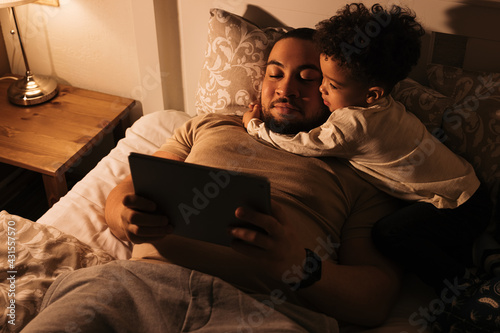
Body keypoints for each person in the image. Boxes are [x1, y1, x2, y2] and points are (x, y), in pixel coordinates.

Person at [22, 28, 404, 332]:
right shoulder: (210, 125)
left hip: (262, 313)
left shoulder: (357, 171)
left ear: (333, 92)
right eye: (275, 73)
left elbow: (375, 301)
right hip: (135, 286)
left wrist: (299, 265)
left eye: (308, 79)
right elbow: (130, 184)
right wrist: (122, 215)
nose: (286, 89)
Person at [242, 4, 496, 332]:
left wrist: (254, 126)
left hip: (455, 204)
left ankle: (458, 288)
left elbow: (301, 144)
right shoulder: (383, 106)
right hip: (470, 192)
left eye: (327, 85)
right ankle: (481, 250)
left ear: (371, 94)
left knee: (389, 235)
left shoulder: (353, 124)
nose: (320, 91)